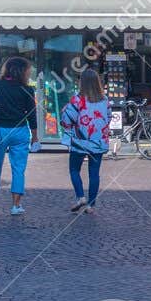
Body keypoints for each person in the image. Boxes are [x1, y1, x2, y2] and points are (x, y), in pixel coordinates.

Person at [0, 56, 38, 215]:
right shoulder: (27, 90)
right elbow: (32, 116)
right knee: (18, 169)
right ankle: (16, 205)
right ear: (23, 72)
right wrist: (35, 137)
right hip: (20, 131)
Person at [60, 67, 110, 214]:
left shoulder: (77, 99)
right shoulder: (105, 100)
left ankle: (81, 196)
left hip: (80, 141)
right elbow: (108, 118)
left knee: (74, 170)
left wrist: (65, 113)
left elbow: (67, 120)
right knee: (94, 173)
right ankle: (91, 205)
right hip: (98, 141)